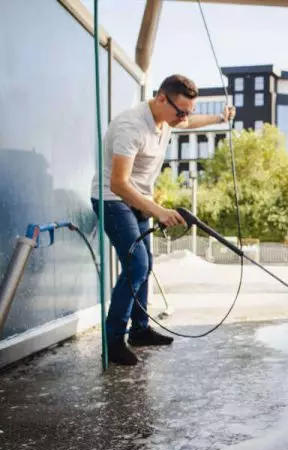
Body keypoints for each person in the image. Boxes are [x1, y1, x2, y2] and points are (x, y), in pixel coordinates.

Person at [90, 74, 235, 366]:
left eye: (187, 112)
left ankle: (140, 331)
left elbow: (190, 122)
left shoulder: (167, 119)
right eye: (179, 111)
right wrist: (158, 210)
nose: (183, 118)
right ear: (160, 99)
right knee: (136, 264)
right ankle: (113, 340)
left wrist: (220, 117)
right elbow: (118, 183)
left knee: (146, 264)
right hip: (112, 198)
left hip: (138, 199)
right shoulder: (131, 126)